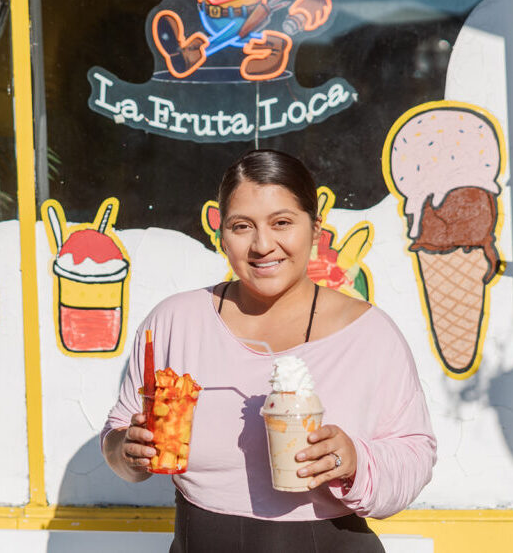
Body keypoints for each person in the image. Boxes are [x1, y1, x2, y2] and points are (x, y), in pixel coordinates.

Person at [101, 149, 436, 552]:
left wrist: (353, 460)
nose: (263, 245)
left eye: (282, 223)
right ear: (220, 233)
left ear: (315, 226)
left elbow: (415, 456)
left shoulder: (368, 334)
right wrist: (128, 451)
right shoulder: (173, 323)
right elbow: (118, 435)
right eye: (242, 226)